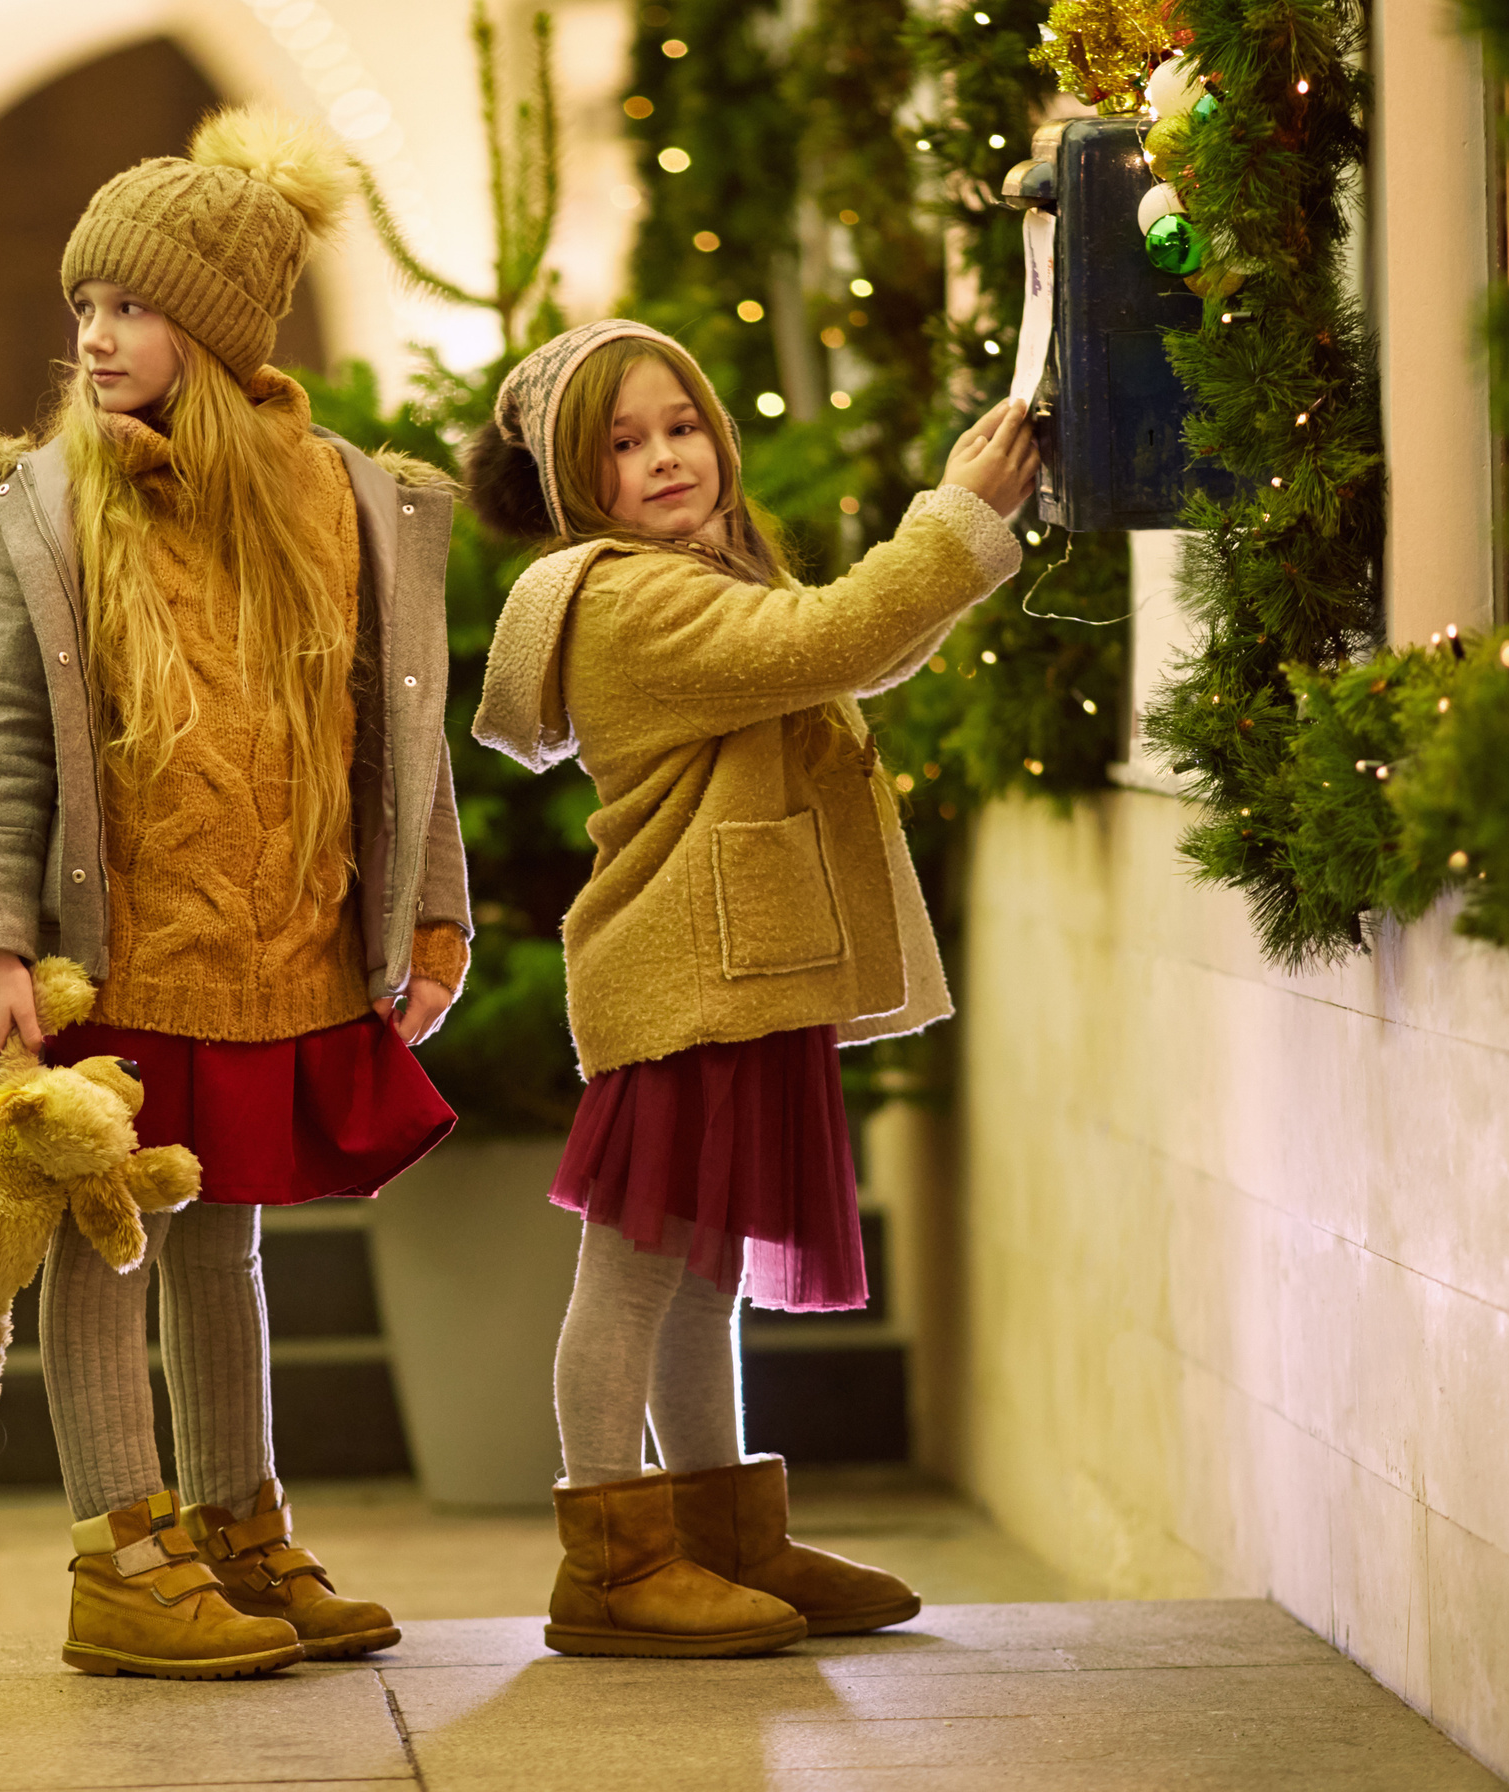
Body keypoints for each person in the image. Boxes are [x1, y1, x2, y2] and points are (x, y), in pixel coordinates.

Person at [0, 106, 472, 1681]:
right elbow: (4, 733)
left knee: (222, 1245)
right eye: (84, 311)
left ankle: (239, 1527)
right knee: (105, 1242)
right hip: (120, 950)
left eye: (131, 308)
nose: (96, 339)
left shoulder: (347, 498)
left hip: (276, 934)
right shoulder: (54, 507)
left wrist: (429, 903)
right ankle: (124, 1552)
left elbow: (405, 722)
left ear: (223, 328)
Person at [467, 320, 1039, 1658]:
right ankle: (611, 1556)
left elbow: (846, 648)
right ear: (574, 483)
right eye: (622, 444)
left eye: (680, 425)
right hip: (686, 969)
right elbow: (838, 636)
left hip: (735, 964)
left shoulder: (703, 571)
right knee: (636, 1268)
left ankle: (723, 1536)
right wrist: (958, 514)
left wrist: (958, 538)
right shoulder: (628, 597)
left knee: (703, 1266)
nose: (665, 457)